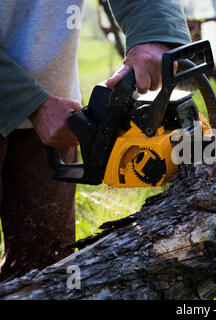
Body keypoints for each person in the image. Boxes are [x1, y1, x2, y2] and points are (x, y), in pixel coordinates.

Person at [0, 0, 191, 281]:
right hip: (39, 105)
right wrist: (31, 103)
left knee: (45, 263)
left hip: (55, 111)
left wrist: (155, 31)